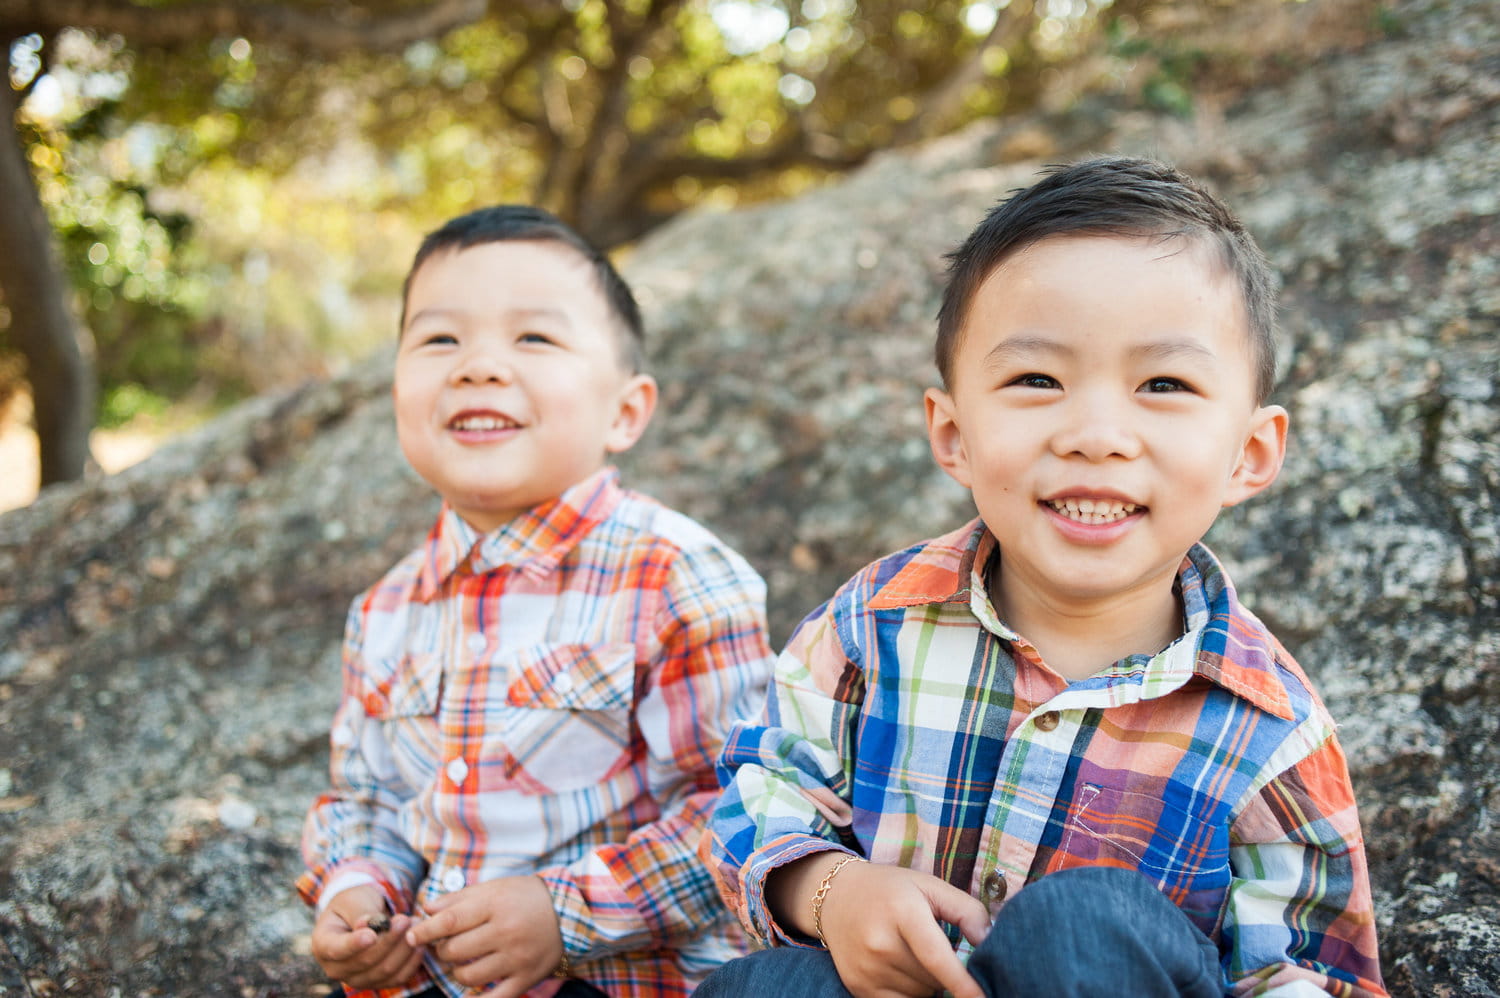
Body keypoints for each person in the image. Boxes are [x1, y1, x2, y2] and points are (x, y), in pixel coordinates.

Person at [697, 157, 1386, 998]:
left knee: (1081, 926)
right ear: (952, 434)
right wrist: (832, 893)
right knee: (765, 988)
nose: (1096, 434)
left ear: (1250, 452)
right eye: (1037, 380)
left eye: (1163, 384)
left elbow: (1311, 973)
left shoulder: (1268, 733)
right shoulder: (875, 624)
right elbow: (760, 789)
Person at [297, 205, 774, 998]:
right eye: (440, 339)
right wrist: (357, 891)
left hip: (616, 977)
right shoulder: (384, 611)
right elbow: (367, 799)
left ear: (625, 411)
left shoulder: (675, 575)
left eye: (535, 338)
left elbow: (746, 807)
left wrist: (566, 913)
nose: (478, 366)